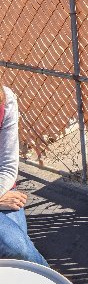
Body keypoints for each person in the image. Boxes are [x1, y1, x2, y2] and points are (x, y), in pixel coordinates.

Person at [0, 85, 48, 266]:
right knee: (17, 247)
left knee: (20, 248)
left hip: (3, 189)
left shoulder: (6, 99)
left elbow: (7, 166)